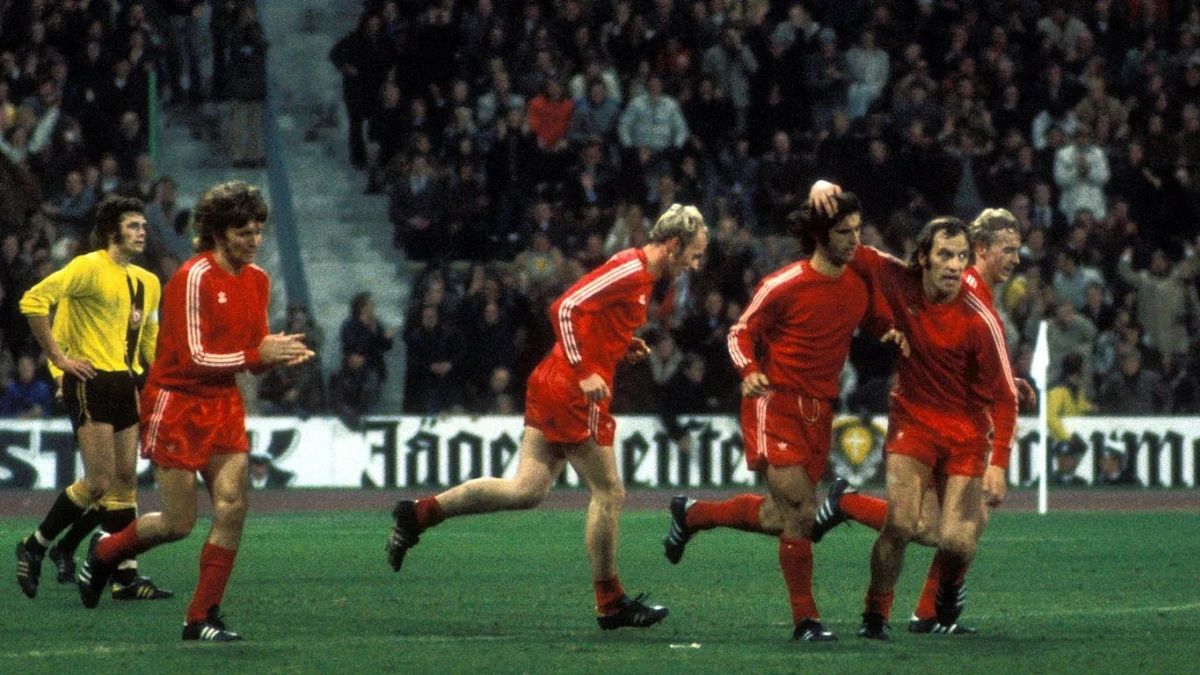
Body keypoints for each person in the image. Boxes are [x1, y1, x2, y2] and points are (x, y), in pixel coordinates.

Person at [386, 204, 709, 630]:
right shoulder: (632, 268)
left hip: (554, 382)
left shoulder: (640, 275)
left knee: (526, 490)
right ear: (673, 245)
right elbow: (565, 307)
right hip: (572, 390)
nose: (695, 264)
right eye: (694, 254)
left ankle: (418, 514)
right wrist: (585, 369)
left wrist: (620, 341)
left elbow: (593, 316)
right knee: (609, 493)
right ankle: (610, 602)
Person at [660, 193, 907, 642]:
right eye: (843, 232)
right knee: (800, 511)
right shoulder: (784, 284)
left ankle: (693, 515)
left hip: (821, 411)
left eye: (857, 230)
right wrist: (750, 370)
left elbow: (876, 319)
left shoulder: (857, 284)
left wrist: (893, 331)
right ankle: (806, 620)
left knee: (783, 517)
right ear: (819, 235)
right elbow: (740, 332)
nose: (854, 241)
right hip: (776, 402)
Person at [75, 181, 314, 642]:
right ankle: (106, 552)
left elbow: (252, 354)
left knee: (233, 506)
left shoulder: (259, 281)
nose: (254, 240)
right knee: (177, 523)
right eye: (244, 232)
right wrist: (256, 355)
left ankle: (200, 616)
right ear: (218, 232)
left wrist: (276, 359)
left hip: (223, 405)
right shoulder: (193, 276)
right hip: (177, 403)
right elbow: (192, 357)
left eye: (259, 231)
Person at [810, 204, 1033, 635]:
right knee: (902, 522)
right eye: (946, 255)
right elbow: (847, 246)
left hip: (967, 432)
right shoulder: (901, 279)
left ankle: (939, 593)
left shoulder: (982, 317)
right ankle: (876, 613)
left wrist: (999, 462)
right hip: (913, 420)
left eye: (960, 256)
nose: (954, 265)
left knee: (952, 539)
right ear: (924, 258)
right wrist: (826, 194)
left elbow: (1002, 394)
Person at [15, 195, 171, 601]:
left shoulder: (146, 282)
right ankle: (35, 544)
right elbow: (33, 301)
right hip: (91, 381)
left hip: (124, 384)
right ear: (111, 231)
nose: (142, 232)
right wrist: (59, 360)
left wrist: (163, 381)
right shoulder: (87, 267)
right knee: (98, 481)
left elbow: (149, 340)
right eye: (133, 226)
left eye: (143, 226)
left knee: (124, 485)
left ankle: (123, 575)